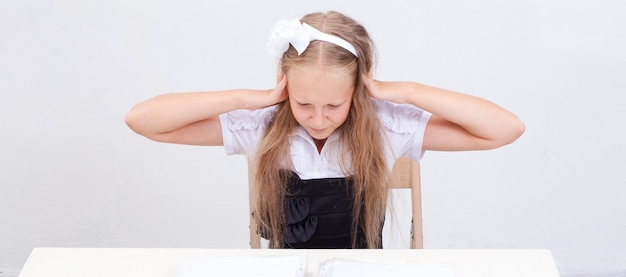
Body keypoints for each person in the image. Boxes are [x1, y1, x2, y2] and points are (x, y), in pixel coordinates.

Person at [125, 11, 525, 249]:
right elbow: (143, 120)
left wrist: (406, 92)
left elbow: (504, 129)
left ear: (359, 87)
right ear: (284, 83)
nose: (318, 119)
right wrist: (243, 98)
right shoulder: (262, 126)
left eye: (334, 105)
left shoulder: (387, 126)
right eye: (304, 104)